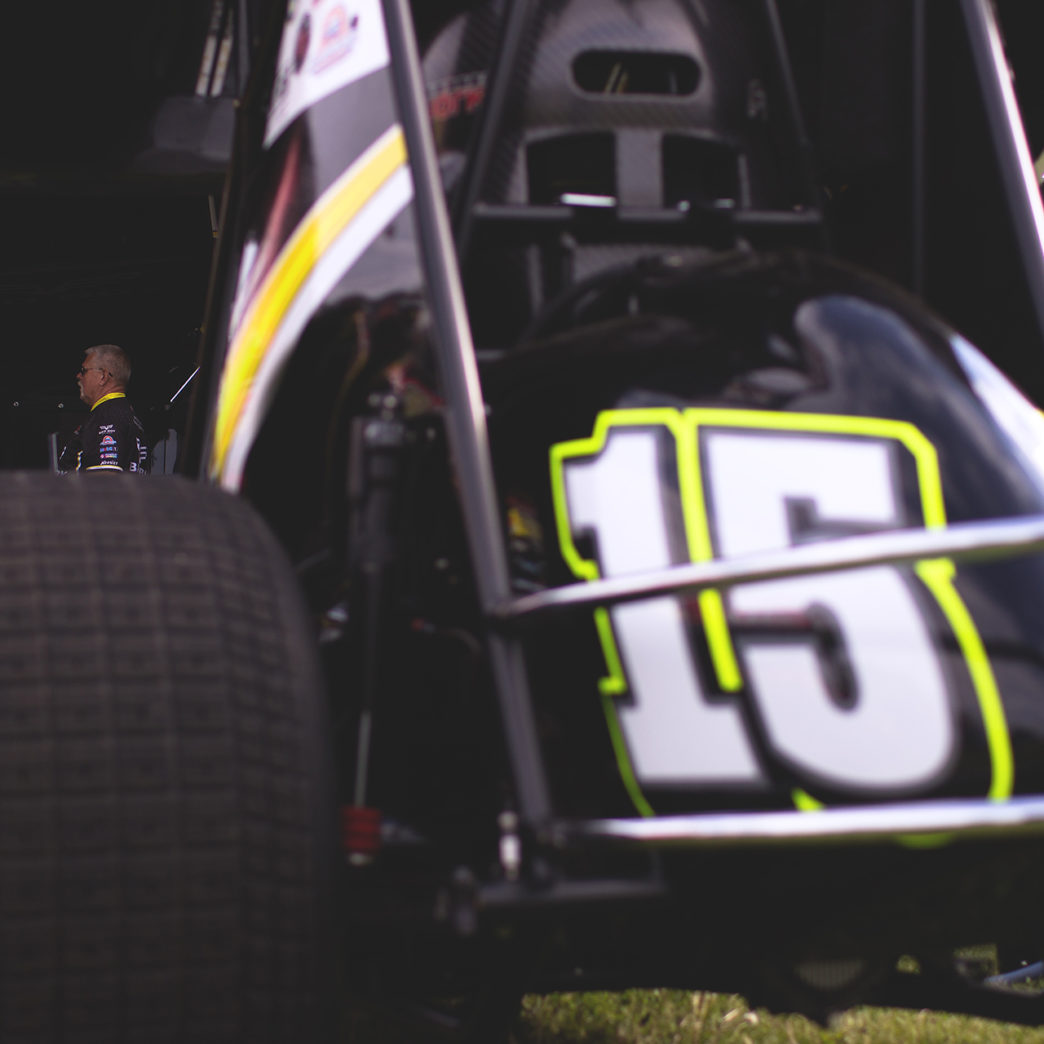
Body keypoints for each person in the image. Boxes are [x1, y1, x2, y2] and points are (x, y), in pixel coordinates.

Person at [61, 344, 150, 474]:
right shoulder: (126, 414)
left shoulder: (107, 416)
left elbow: (105, 479)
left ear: (103, 376)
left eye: (83, 370)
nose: (78, 376)